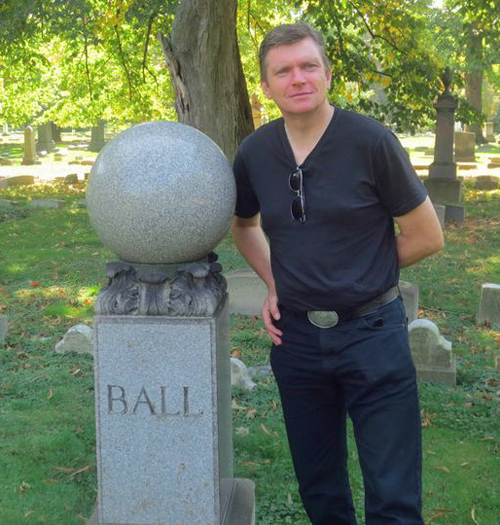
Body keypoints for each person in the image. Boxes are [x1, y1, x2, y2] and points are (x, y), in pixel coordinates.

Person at [231, 22, 444, 525]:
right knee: (320, 489)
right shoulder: (255, 153)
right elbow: (244, 225)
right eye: (283, 71)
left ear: (328, 73)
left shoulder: (370, 141)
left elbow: (426, 234)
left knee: (393, 496)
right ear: (266, 86)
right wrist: (275, 281)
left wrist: (356, 271)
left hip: (373, 334)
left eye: (308, 66)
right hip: (297, 341)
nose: (298, 78)